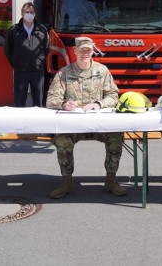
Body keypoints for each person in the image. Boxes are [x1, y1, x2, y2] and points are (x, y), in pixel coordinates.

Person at [45, 37, 126, 198]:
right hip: (74, 125)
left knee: (117, 136)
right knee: (62, 140)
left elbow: (113, 96)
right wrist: (63, 104)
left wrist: (99, 103)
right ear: (75, 51)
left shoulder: (102, 71)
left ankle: (111, 180)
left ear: (92, 52)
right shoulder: (64, 73)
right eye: (81, 50)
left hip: (98, 124)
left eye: (88, 50)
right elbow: (51, 99)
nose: (85, 54)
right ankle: (67, 182)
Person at [4, 2, 49, 107]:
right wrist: (16, 63)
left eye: (31, 12)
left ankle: (38, 123)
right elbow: (7, 50)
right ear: (22, 13)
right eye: (26, 12)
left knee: (38, 102)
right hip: (21, 71)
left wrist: (40, 61)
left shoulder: (42, 30)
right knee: (19, 102)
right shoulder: (13, 30)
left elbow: (46, 48)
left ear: (35, 14)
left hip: (37, 72)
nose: (29, 14)